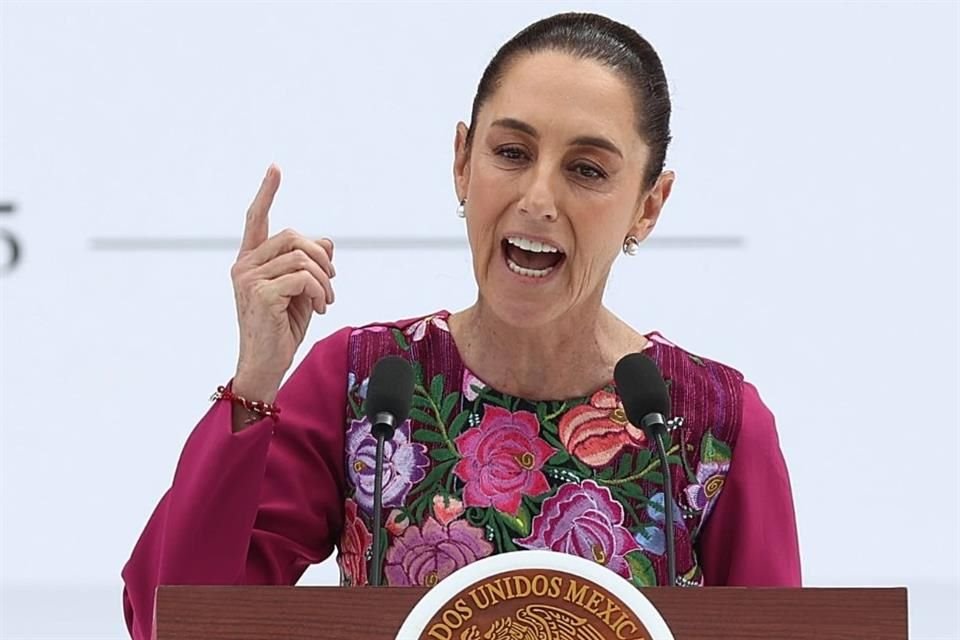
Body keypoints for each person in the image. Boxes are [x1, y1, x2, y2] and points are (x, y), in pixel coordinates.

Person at [122, 12, 801, 640]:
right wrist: (257, 380)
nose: (538, 199)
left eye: (586, 170)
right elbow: (173, 624)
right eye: (511, 153)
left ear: (648, 206)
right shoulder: (366, 386)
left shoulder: (711, 423)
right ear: (462, 162)